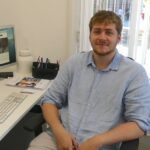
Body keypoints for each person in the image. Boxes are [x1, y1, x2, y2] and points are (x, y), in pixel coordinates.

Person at [27, 10, 150, 150]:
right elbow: (49, 100)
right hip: (61, 139)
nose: (102, 37)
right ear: (90, 36)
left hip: (102, 146)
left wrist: (99, 140)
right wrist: (58, 130)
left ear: (119, 38)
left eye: (109, 32)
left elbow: (139, 124)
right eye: (97, 31)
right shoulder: (74, 63)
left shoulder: (135, 73)